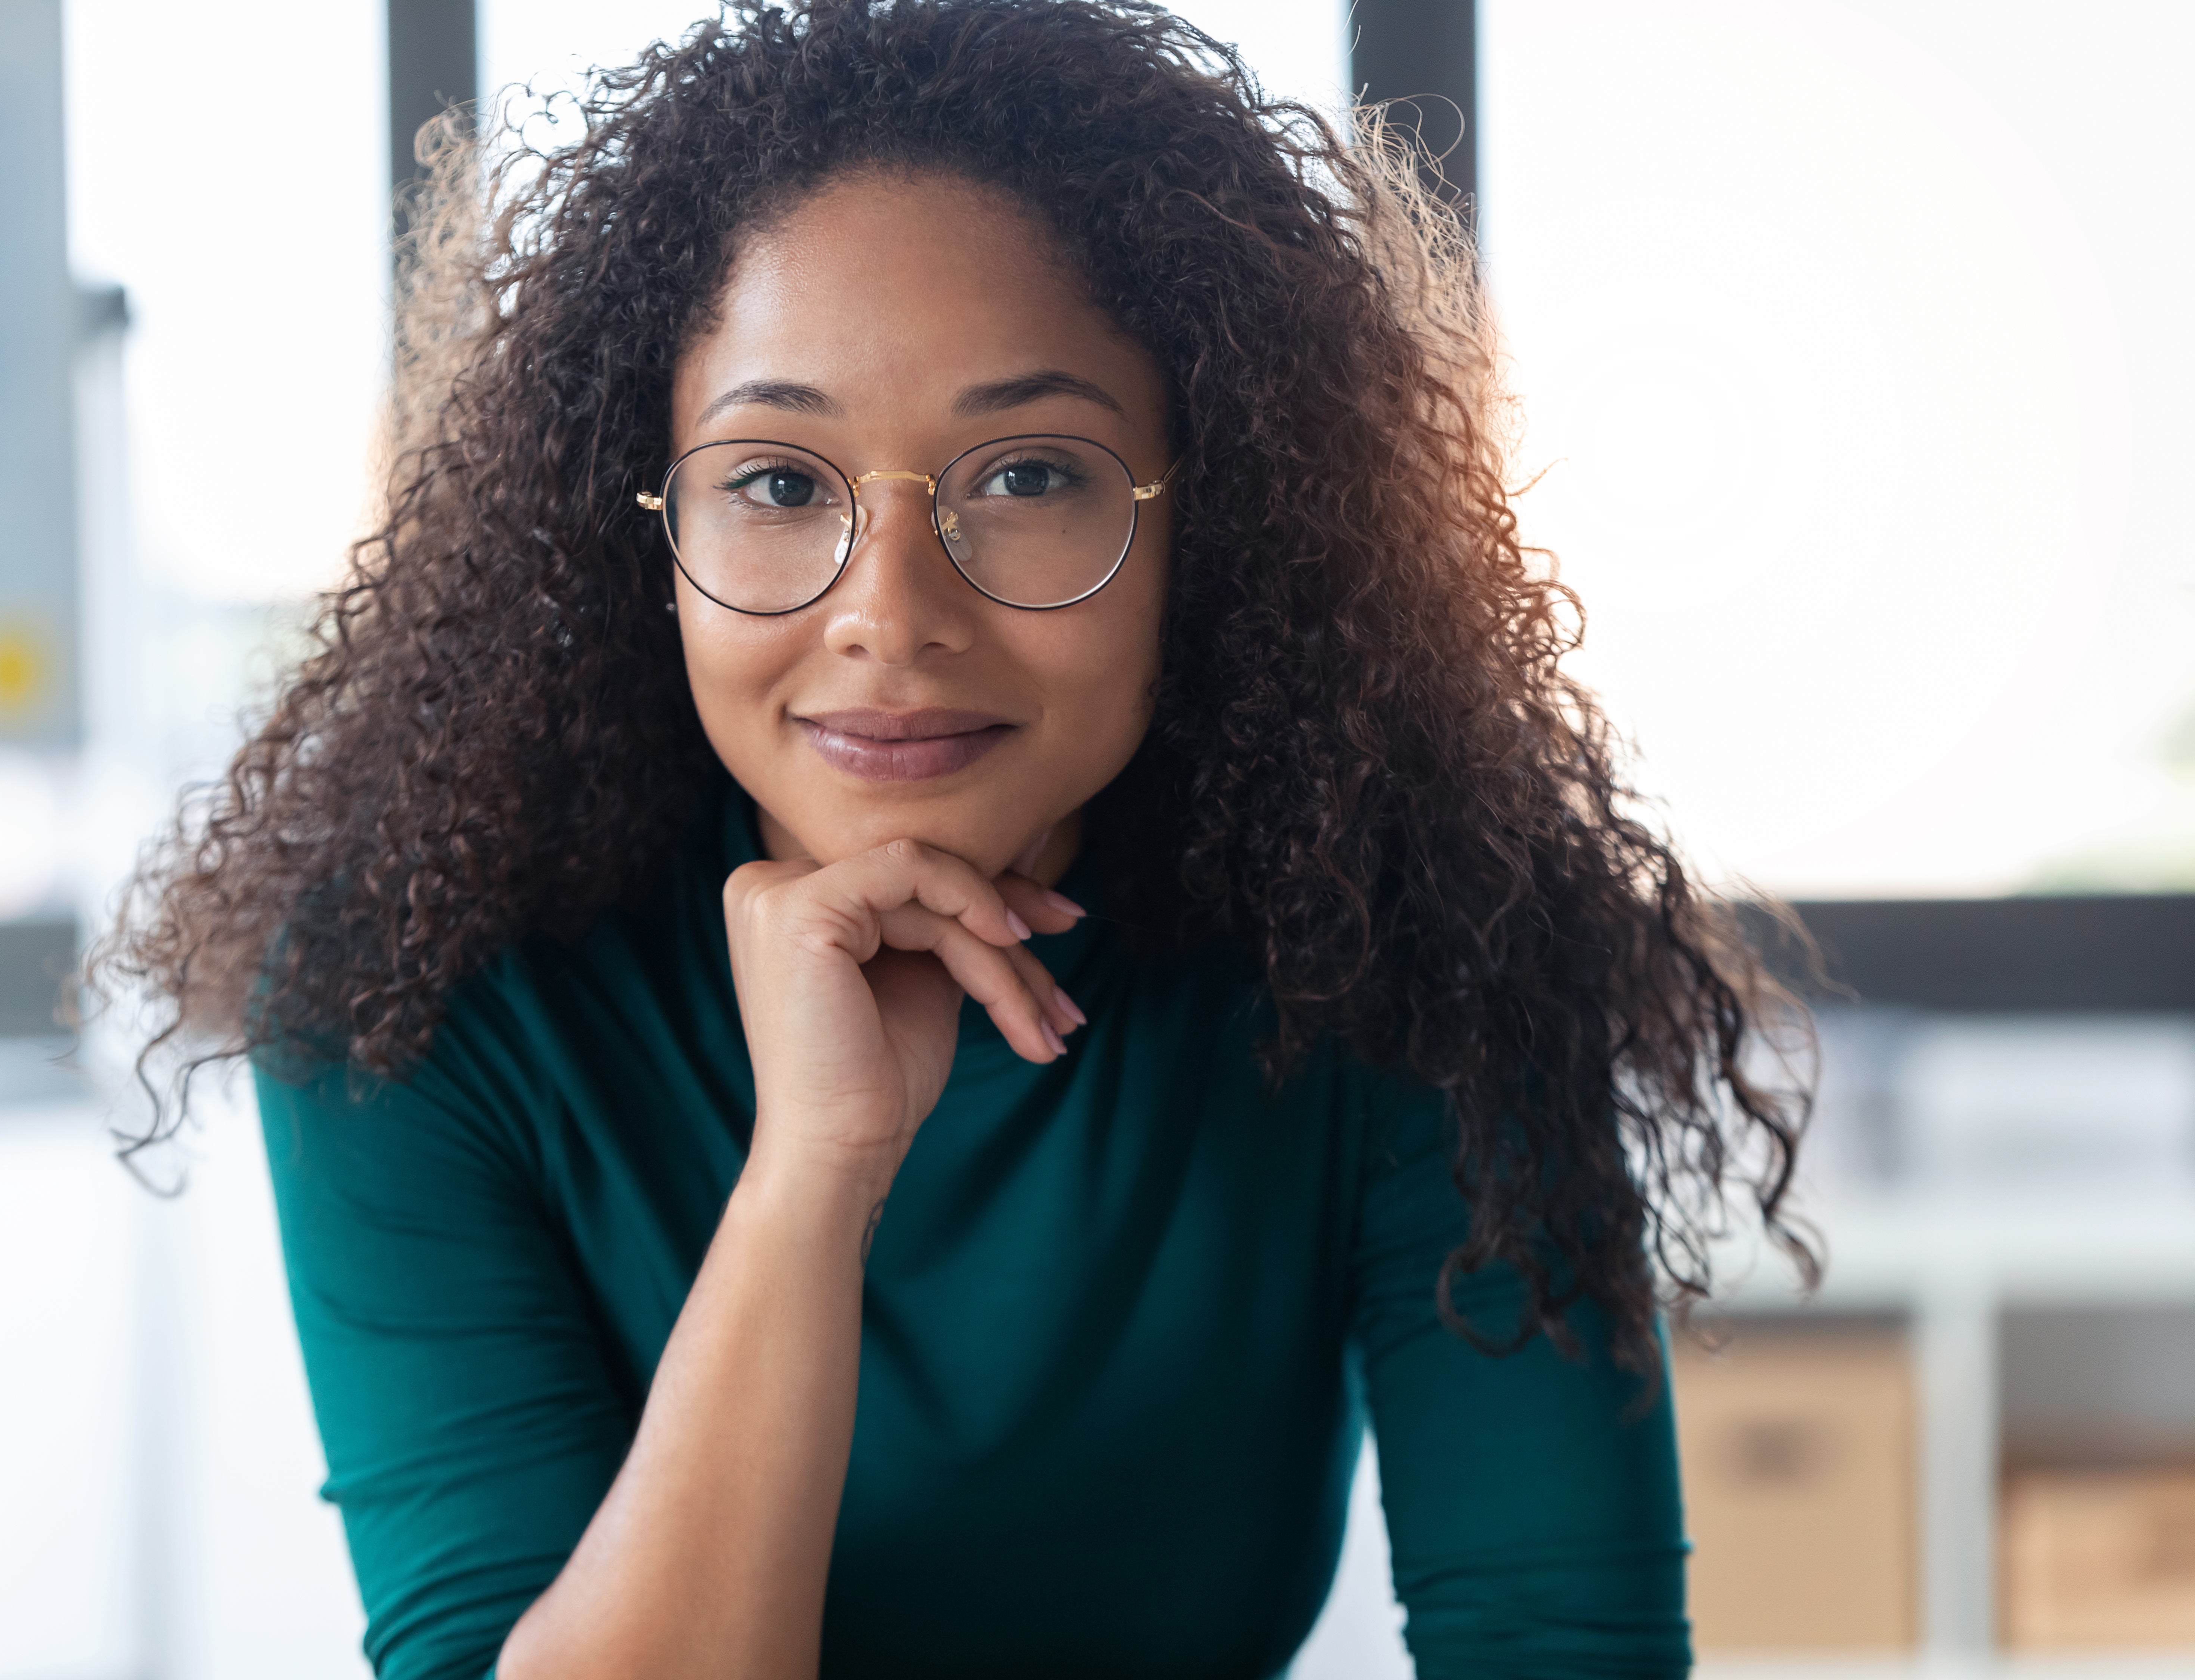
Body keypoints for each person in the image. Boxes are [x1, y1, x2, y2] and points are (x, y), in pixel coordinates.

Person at [99, 2, 1815, 1674]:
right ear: (642, 525)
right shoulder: (415, 982)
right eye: (778, 484)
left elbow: (1560, 1643)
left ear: (1206, 516)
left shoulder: (1421, 944)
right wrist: (815, 1173)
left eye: (1030, 474)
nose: (892, 616)